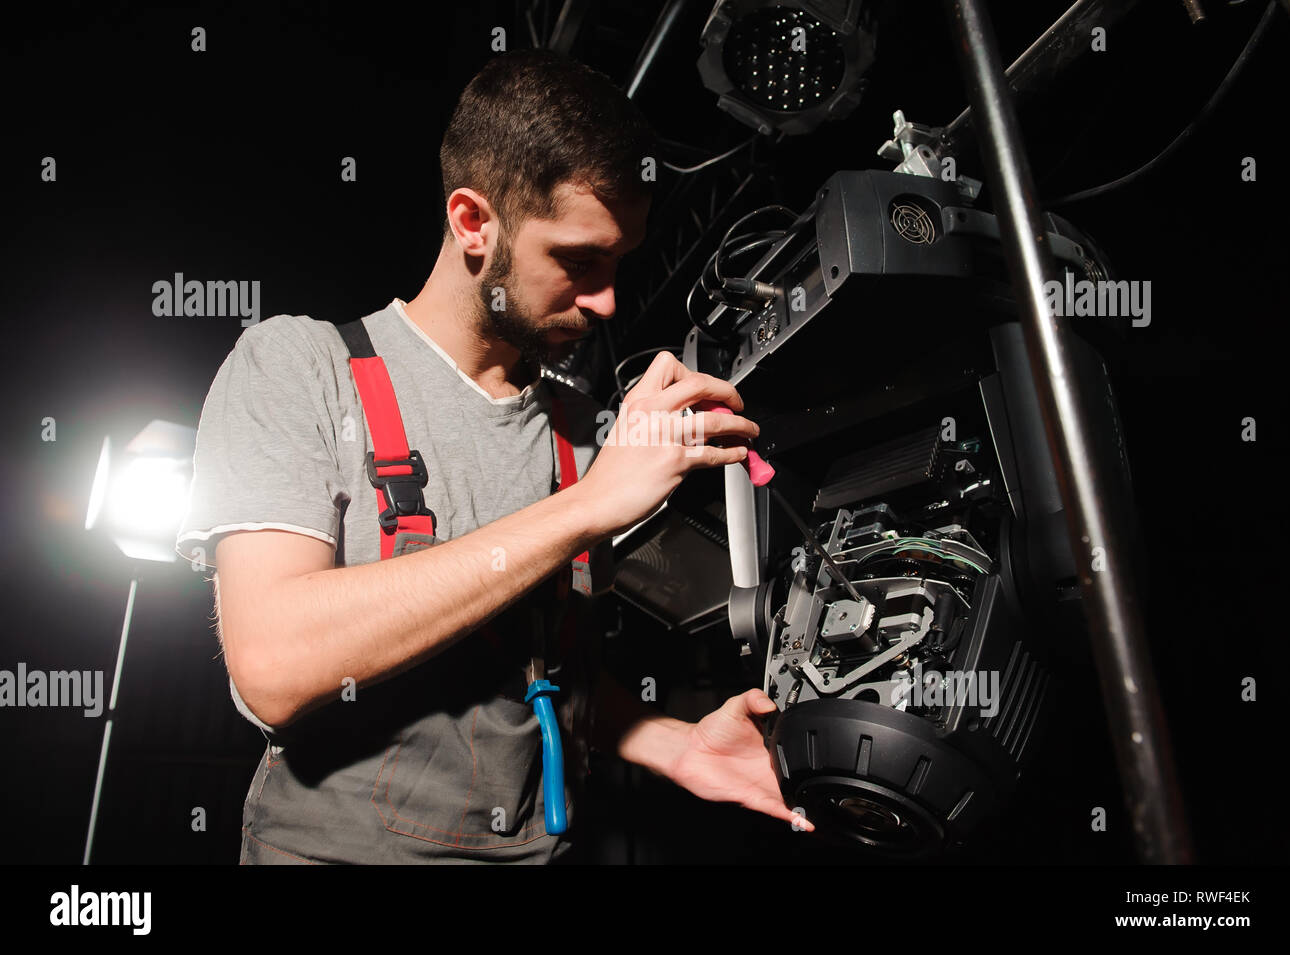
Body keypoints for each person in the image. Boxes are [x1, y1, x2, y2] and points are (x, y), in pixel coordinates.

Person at [175, 47, 812, 864]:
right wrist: (589, 503)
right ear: (474, 222)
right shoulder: (299, 368)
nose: (609, 299)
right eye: (579, 261)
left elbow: (541, 669)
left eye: (620, 263)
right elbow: (272, 662)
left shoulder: (579, 430)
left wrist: (673, 743)